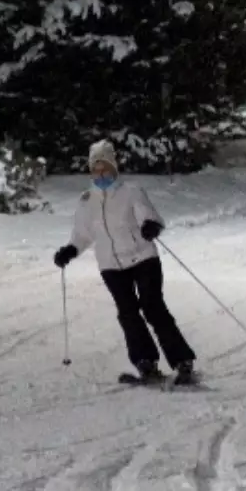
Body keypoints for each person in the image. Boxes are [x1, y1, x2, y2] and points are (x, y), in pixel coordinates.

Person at [53, 140, 197, 385]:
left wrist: (150, 225)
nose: (100, 174)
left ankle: (182, 360)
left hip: (142, 257)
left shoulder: (131, 191)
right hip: (110, 265)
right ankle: (145, 362)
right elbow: (83, 233)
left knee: (153, 307)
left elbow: (147, 214)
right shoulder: (87, 200)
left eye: (105, 168)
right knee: (128, 313)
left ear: (113, 168)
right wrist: (70, 249)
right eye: (95, 169)